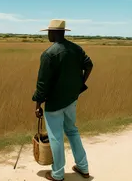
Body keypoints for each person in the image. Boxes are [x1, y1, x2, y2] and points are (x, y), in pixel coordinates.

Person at [32, 19, 93, 181]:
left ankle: (58, 174)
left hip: (55, 103)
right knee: (72, 131)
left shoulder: (49, 54)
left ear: (54, 33)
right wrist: (81, 84)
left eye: (49, 32)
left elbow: (42, 84)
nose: (48, 35)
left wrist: (38, 105)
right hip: (71, 99)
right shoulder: (76, 49)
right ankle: (83, 167)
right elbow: (89, 65)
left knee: (55, 136)